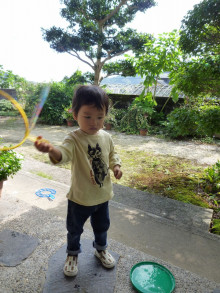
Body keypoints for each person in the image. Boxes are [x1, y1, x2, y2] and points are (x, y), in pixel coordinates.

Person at [34, 85, 122, 277]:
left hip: (102, 195)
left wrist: (116, 166)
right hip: (80, 198)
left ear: (105, 114)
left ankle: (101, 250)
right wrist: (51, 150)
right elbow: (63, 154)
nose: (94, 122)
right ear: (75, 114)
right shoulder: (74, 139)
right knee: (74, 230)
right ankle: (72, 254)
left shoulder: (106, 137)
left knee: (102, 227)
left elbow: (113, 154)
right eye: (87, 116)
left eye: (100, 117)